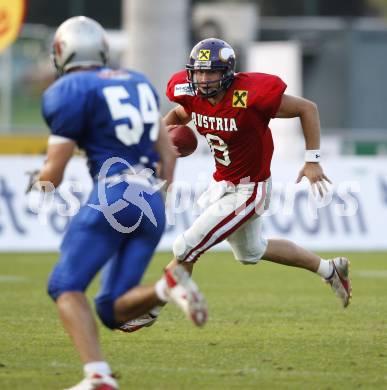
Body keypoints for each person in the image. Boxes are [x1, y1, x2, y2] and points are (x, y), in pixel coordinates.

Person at [123, 37, 352, 332]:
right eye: (199, 72)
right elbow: (181, 114)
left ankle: (149, 309)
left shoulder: (250, 94)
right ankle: (330, 269)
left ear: (227, 72)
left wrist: (312, 160)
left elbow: (307, 108)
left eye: (211, 72)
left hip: (250, 190)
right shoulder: (191, 93)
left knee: (186, 246)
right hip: (224, 183)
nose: (203, 79)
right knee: (251, 252)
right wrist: (163, 139)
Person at [28, 16, 207, 390]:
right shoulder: (138, 81)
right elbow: (168, 153)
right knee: (112, 308)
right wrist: (161, 198)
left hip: (112, 194)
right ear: (103, 50)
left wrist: (39, 185)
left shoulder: (69, 89)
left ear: (61, 52)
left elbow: (54, 172)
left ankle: (97, 376)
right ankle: (167, 287)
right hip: (150, 201)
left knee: (65, 286)